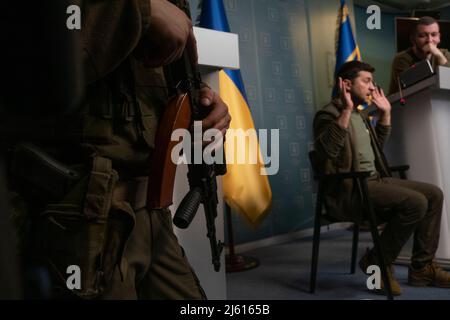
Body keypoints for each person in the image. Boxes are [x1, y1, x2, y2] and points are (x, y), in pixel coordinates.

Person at [7, 0, 230, 299]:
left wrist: (199, 103)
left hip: (149, 212)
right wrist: (142, 10)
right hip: (76, 215)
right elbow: (31, 56)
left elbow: (161, 78)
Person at [313, 60, 450, 296]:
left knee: (434, 194)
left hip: (374, 181)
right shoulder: (327, 115)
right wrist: (345, 110)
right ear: (346, 84)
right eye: (366, 81)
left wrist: (386, 113)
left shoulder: (361, 116)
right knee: (415, 203)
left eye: (371, 82)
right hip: (350, 190)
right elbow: (327, 153)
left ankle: (421, 268)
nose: (371, 87)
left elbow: (376, 149)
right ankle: (378, 261)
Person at [389, 16, 450, 95]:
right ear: (413, 39)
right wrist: (427, 58)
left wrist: (439, 56)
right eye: (422, 36)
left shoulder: (444, 54)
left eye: (434, 35)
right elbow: (414, 90)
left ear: (439, 37)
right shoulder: (401, 59)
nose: (429, 40)